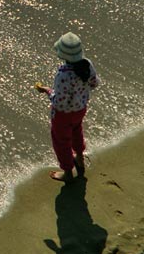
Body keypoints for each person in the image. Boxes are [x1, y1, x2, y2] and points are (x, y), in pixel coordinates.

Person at [34, 32, 100, 182]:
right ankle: (80, 158)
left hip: (63, 115)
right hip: (80, 109)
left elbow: (59, 101)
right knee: (77, 132)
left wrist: (47, 91)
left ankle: (68, 173)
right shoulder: (87, 65)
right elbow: (94, 83)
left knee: (61, 141)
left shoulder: (63, 75)